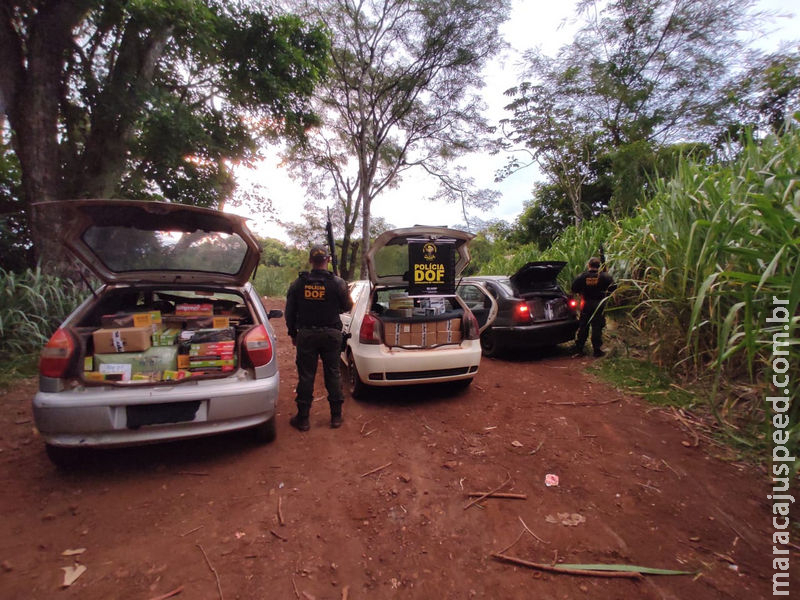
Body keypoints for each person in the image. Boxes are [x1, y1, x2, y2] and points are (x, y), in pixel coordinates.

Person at [285, 245, 353, 431]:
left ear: (310, 261)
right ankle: (336, 417)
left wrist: (292, 333)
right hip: (331, 334)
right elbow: (347, 307)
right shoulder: (338, 283)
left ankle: (304, 419)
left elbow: (289, 312)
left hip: (306, 335)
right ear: (328, 260)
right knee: (333, 373)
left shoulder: (298, 284)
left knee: (306, 376)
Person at [570, 256, 616, 357]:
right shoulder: (605, 276)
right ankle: (597, 351)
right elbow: (613, 288)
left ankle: (579, 349)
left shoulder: (582, 276)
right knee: (597, 327)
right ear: (599, 266)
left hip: (585, 304)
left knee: (583, 326)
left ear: (589, 265)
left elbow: (574, 288)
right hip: (599, 304)